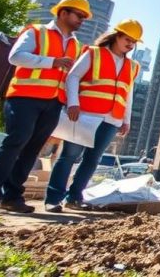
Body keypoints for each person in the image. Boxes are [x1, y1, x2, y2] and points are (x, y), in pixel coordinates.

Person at [0, 0, 89, 217]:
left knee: (32, 149)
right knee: (15, 142)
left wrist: (71, 102)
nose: (82, 20)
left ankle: (12, 197)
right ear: (63, 12)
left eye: (84, 17)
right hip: (24, 97)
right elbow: (16, 57)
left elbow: (71, 77)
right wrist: (51, 62)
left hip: (53, 102)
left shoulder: (76, 45)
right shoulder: (36, 32)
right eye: (79, 15)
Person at [44, 19, 144, 212]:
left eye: (134, 41)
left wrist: (126, 119)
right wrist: (73, 103)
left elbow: (128, 93)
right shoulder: (93, 53)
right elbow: (73, 76)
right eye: (127, 38)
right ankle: (53, 199)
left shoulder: (132, 66)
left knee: (93, 159)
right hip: (85, 114)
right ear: (116, 36)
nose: (130, 44)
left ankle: (74, 197)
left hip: (111, 118)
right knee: (70, 156)